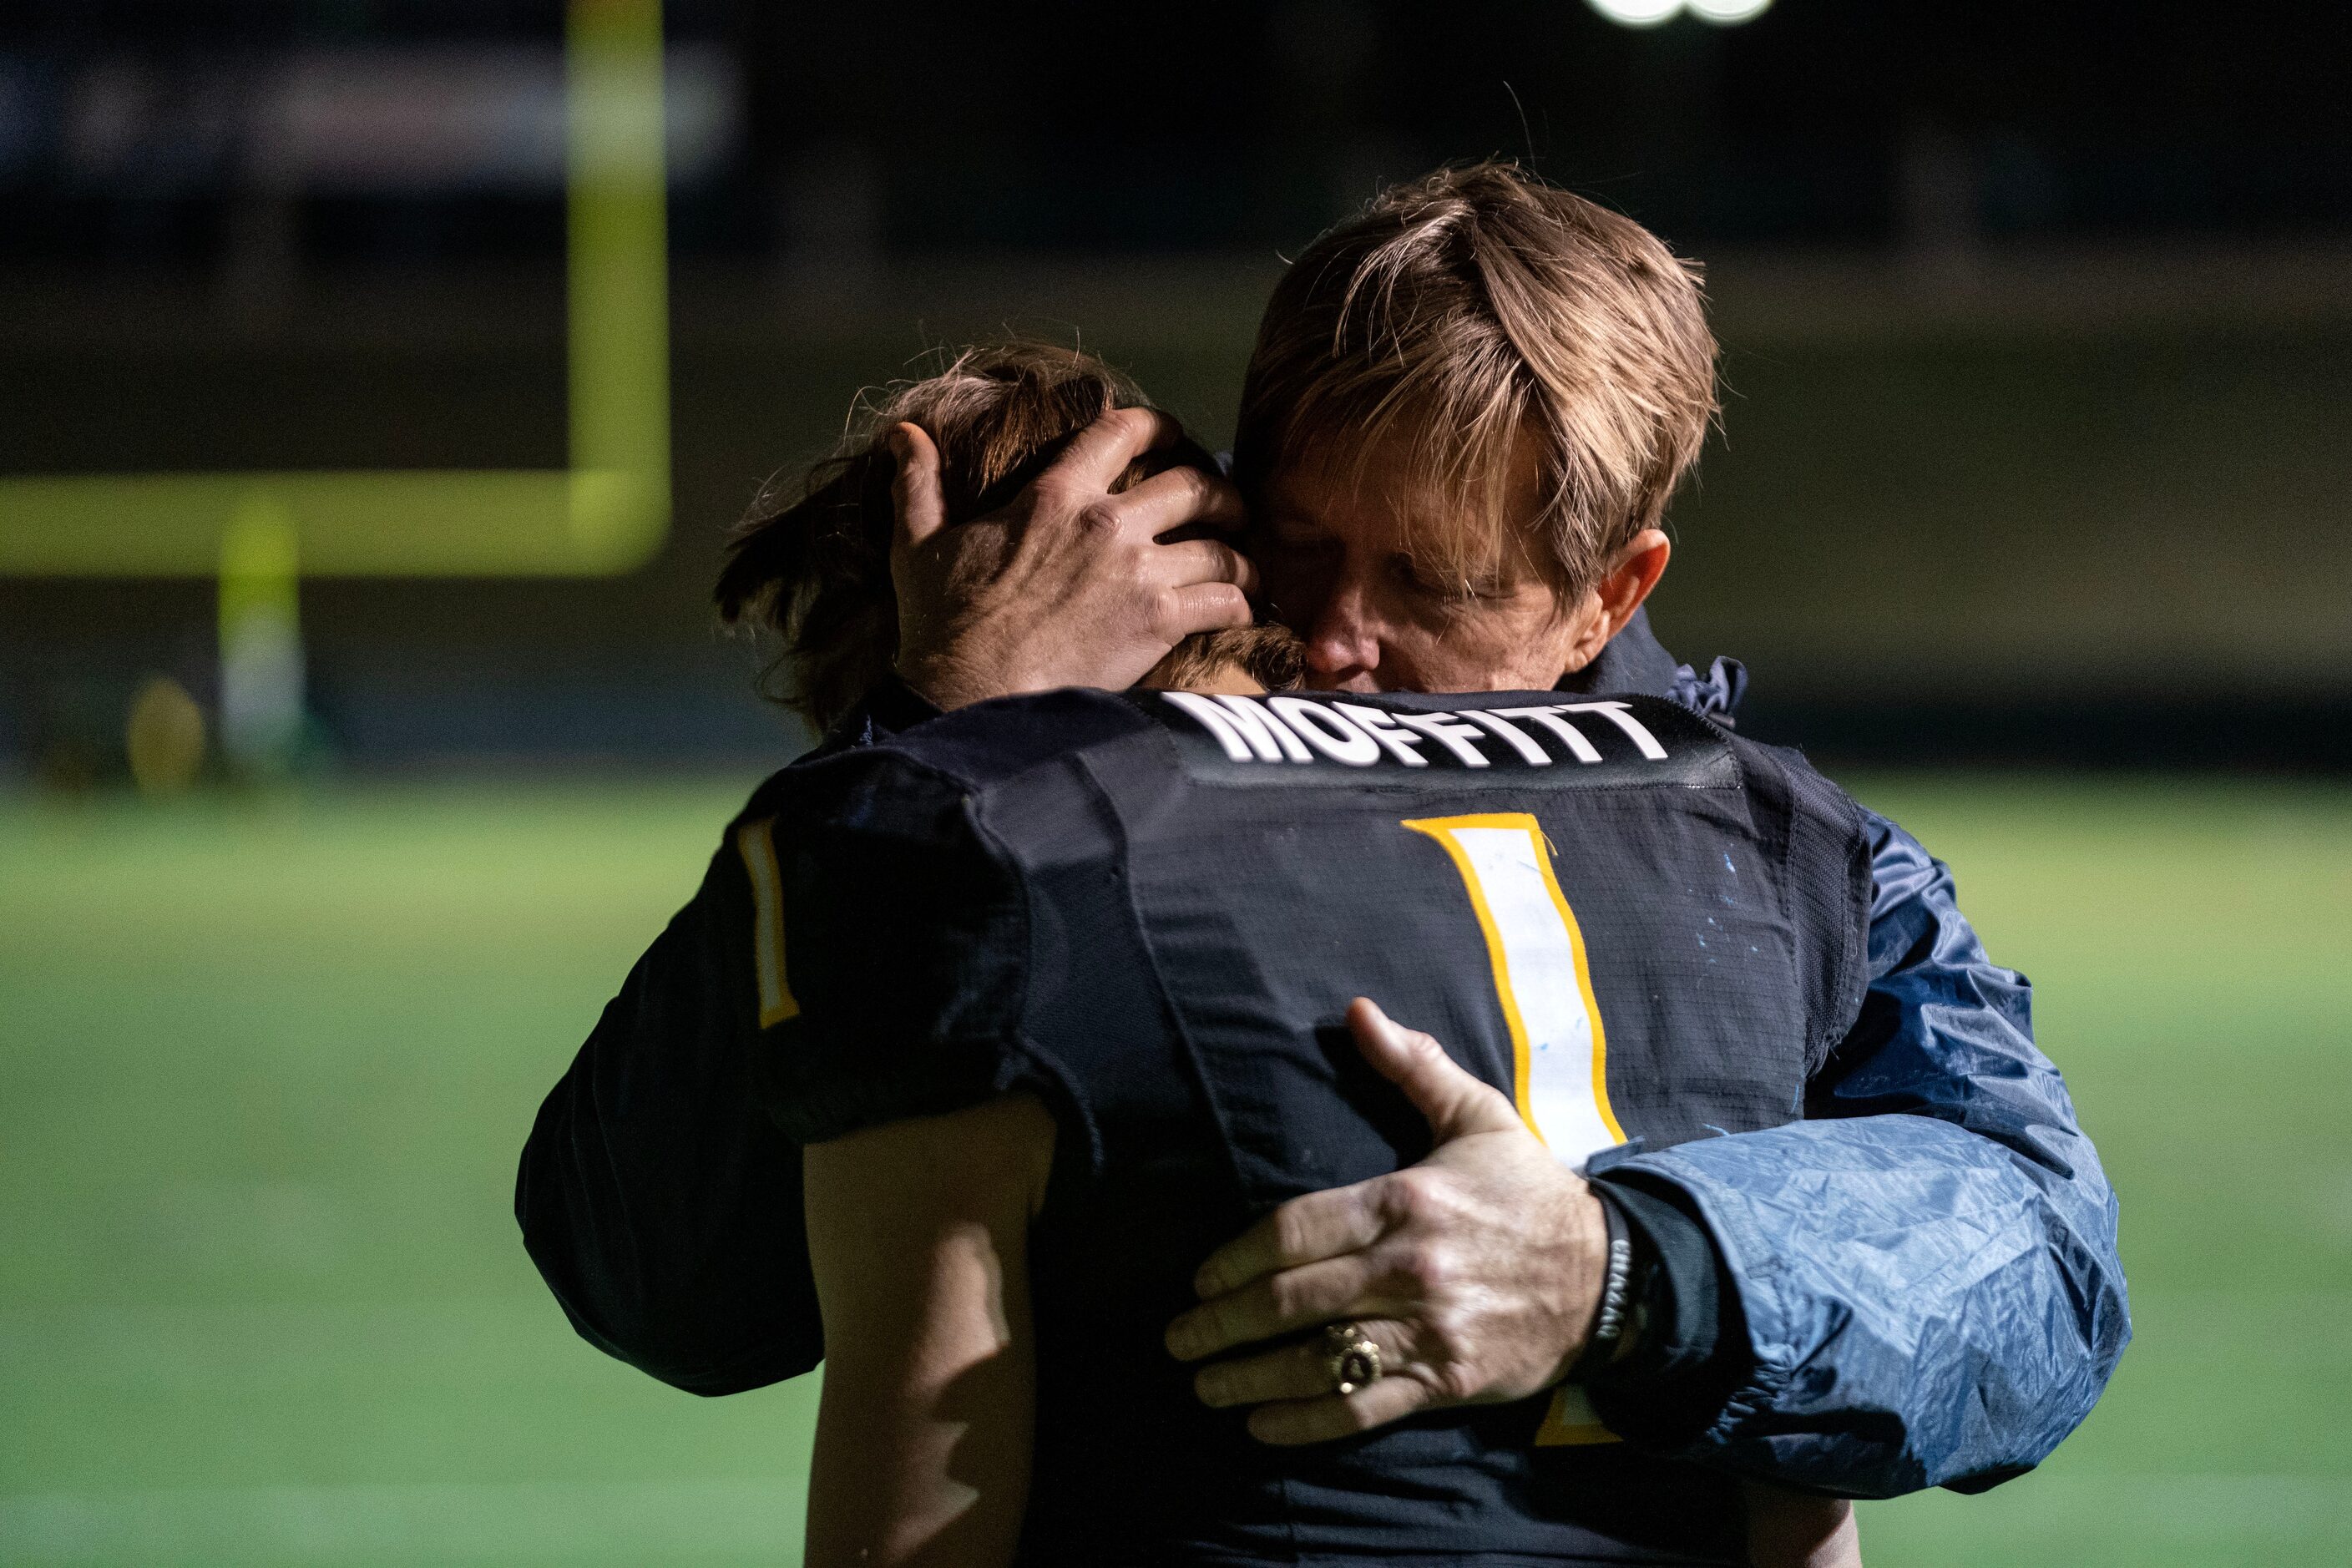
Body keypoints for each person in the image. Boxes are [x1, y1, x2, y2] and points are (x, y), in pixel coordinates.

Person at [518, 163, 2126, 1507]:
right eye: (1296, 543)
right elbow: (659, 1280)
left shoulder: (1808, 862)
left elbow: (2048, 1271)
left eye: (1432, 585)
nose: (1341, 636)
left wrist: (1617, 1272)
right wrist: (948, 734)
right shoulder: (1091, 797)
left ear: (1607, 595)